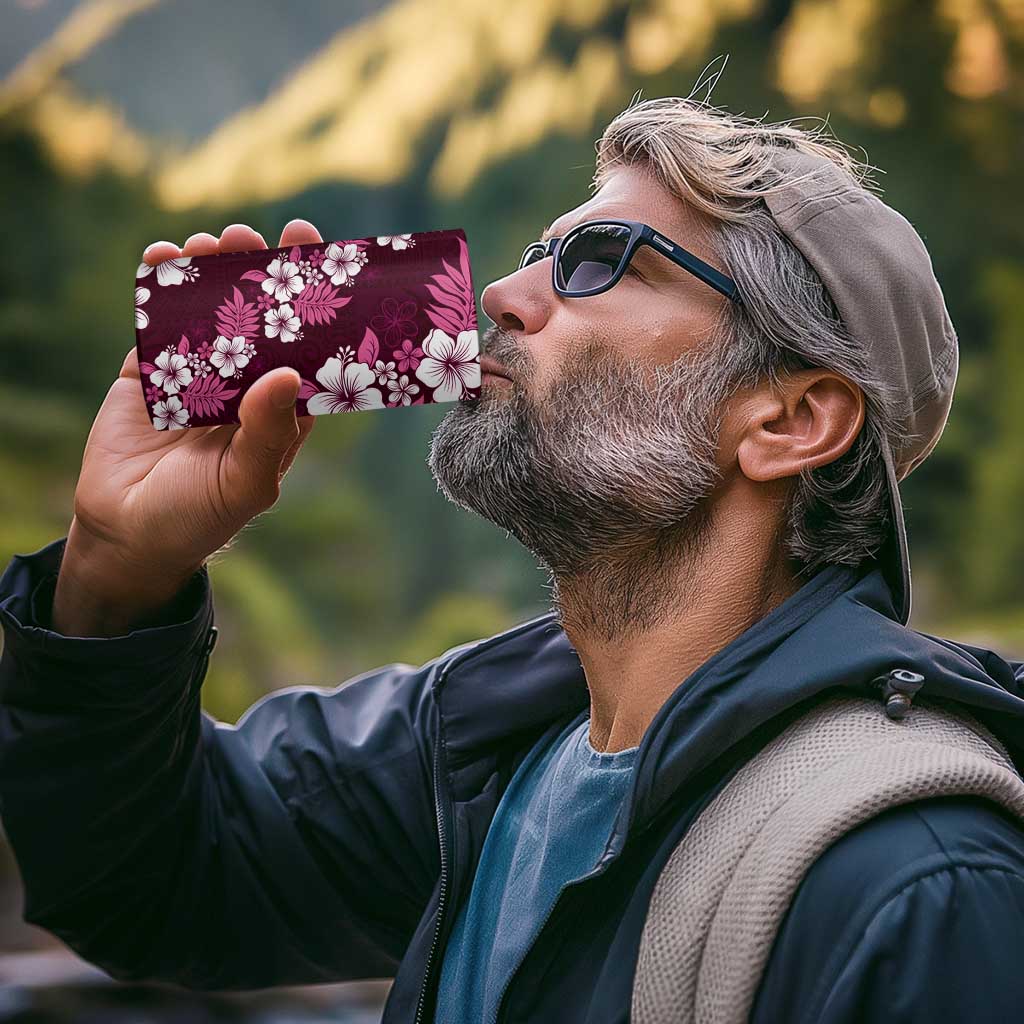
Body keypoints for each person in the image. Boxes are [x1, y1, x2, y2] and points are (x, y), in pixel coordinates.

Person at [2, 91, 1024, 1024]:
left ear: (791, 419)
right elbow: (148, 879)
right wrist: (115, 570)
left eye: (598, 261)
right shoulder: (479, 750)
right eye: (539, 252)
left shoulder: (918, 885)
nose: (499, 292)